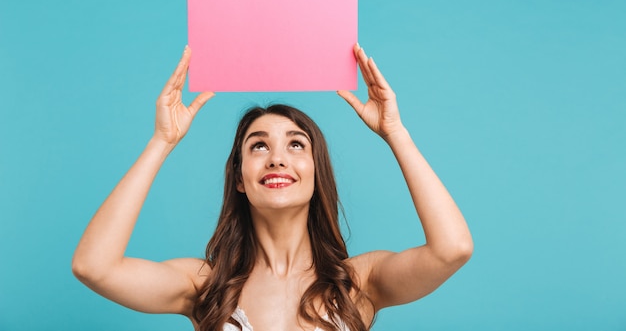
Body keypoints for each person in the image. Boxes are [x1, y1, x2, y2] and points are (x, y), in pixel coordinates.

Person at [72, 43, 473, 331]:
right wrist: (161, 142)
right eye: (259, 145)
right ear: (239, 177)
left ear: (317, 175)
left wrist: (395, 132)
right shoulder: (204, 285)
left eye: (296, 144)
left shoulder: (358, 284)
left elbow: (452, 249)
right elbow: (94, 267)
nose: (276, 158)